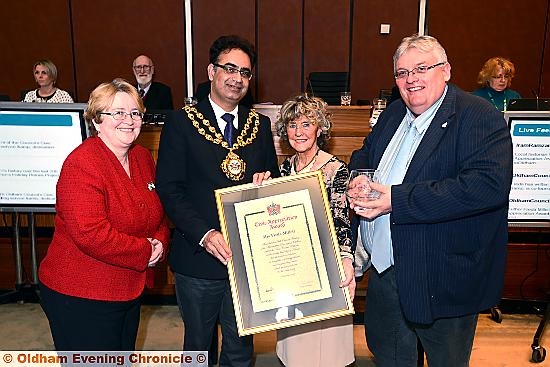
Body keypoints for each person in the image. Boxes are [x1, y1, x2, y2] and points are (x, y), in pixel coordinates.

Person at [348, 34, 513, 366]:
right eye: (402, 73)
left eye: (421, 68)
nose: (411, 80)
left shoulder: (478, 116)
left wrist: (398, 199)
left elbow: (486, 186)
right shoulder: (394, 113)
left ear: (446, 70)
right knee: (390, 356)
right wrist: (358, 175)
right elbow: (365, 152)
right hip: (385, 274)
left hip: (440, 277)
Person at [155, 35, 280, 367]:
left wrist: (267, 186)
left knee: (241, 349)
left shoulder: (261, 126)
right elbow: (170, 190)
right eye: (229, 68)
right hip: (198, 258)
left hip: (247, 262)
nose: (237, 78)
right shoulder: (180, 123)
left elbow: (274, 184)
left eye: (245, 72)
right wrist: (206, 235)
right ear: (211, 71)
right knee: (199, 347)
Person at [39, 78, 170, 350]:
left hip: (128, 289)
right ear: (97, 120)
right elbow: (91, 234)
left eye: (135, 113)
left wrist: (159, 243)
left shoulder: (143, 157)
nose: (129, 120)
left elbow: (157, 213)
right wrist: (146, 251)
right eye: (118, 113)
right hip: (82, 294)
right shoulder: (81, 164)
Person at [272, 94, 355, 367]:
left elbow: (343, 220)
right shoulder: (284, 169)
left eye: (307, 124)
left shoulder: (335, 169)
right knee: (294, 349)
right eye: (293, 125)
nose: (299, 132)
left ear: (320, 129)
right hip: (292, 268)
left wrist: (346, 260)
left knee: (325, 351)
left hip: (325, 270)